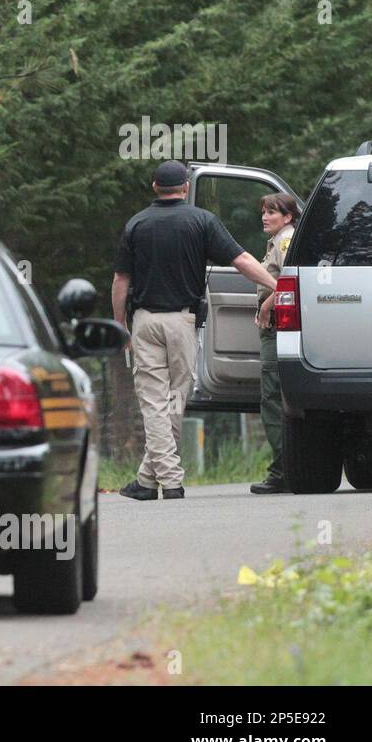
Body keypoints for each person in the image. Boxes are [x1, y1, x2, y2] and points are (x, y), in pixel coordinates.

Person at [112, 161, 280, 500]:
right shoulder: (202, 221)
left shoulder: (136, 224)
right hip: (184, 323)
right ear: (186, 188)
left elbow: (120, 280)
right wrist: (278, 284)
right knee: (174, 400)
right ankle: (164, 480)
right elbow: (242, 261)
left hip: (146, 322)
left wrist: (120, 325)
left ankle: (152, 481)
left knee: (154, 402)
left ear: (154, 186)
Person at [249, 193, 301, 494]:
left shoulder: (284, 241)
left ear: (288, 217)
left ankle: (283, 469)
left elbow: (285, 280)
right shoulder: (278, 240)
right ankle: (286, 467)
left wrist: (267, 307)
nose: (265, 216)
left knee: (271, 395)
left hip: (277, 323)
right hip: (276, 323)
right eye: (264, 211)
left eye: (272, 212)